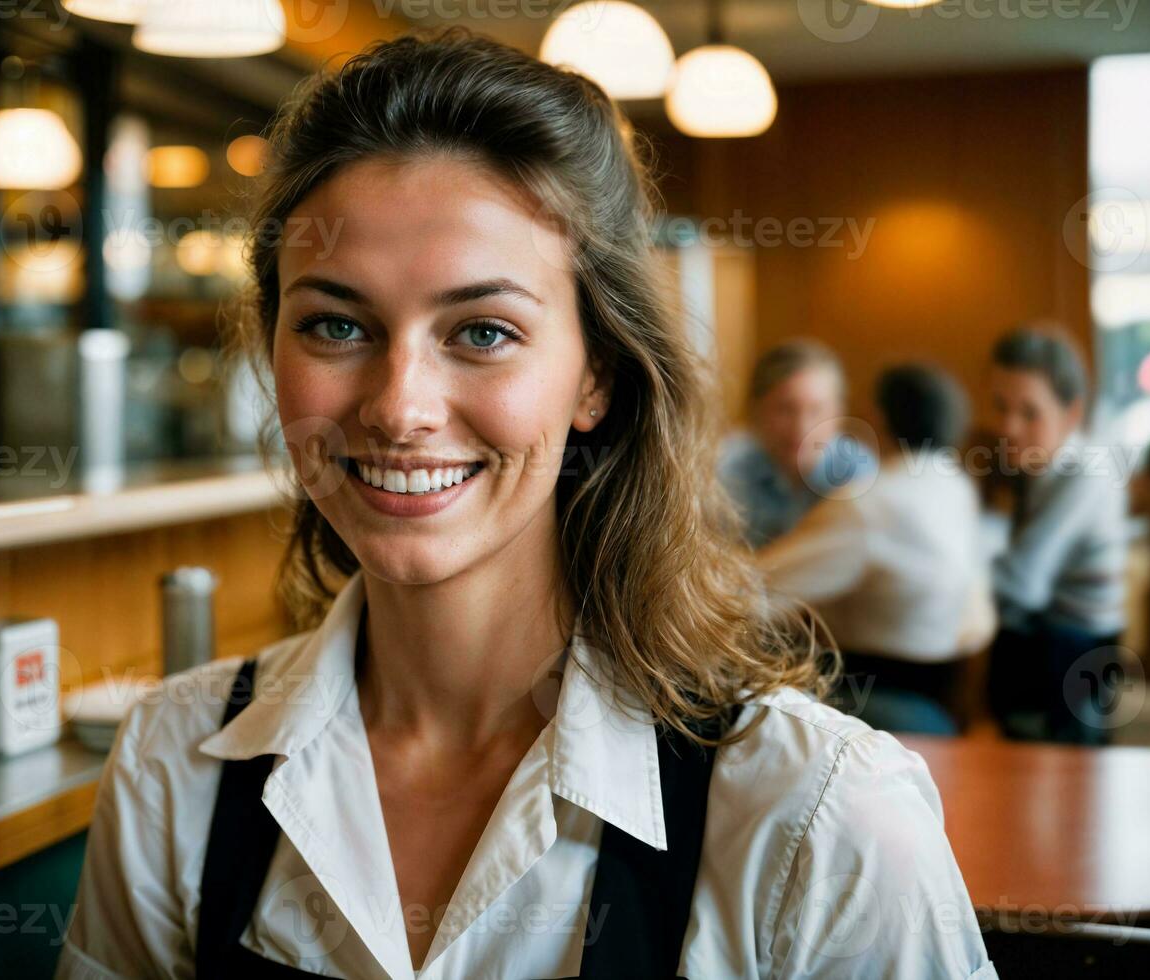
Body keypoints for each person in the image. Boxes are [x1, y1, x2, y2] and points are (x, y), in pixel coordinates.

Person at [56, 29, 996, 980]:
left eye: (483, 331)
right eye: (336, 325)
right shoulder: (175, 765)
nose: (399, 407)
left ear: (596, 376)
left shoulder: (819, 814)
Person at [758, 364, 996, 735]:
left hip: (875, 699)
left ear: (878, 417)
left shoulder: (868, 502)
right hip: (949, 695)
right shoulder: (954, 483)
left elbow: (759, 589)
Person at [983, 324, 1128, 745]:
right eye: (1000, 406)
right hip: (1041, 641)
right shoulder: (1030, 462)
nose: (1008, 427)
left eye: (1029, 412)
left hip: (1075, 655)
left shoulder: (1087, 472)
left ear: (1073, 414)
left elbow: (1022, 585)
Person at [717, 340, 878, 548]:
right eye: (785, 409)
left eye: (817, 410)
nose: (801, 427)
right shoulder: (726, 466)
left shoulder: (861, 476)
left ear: (839, 413)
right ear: (755, 410)